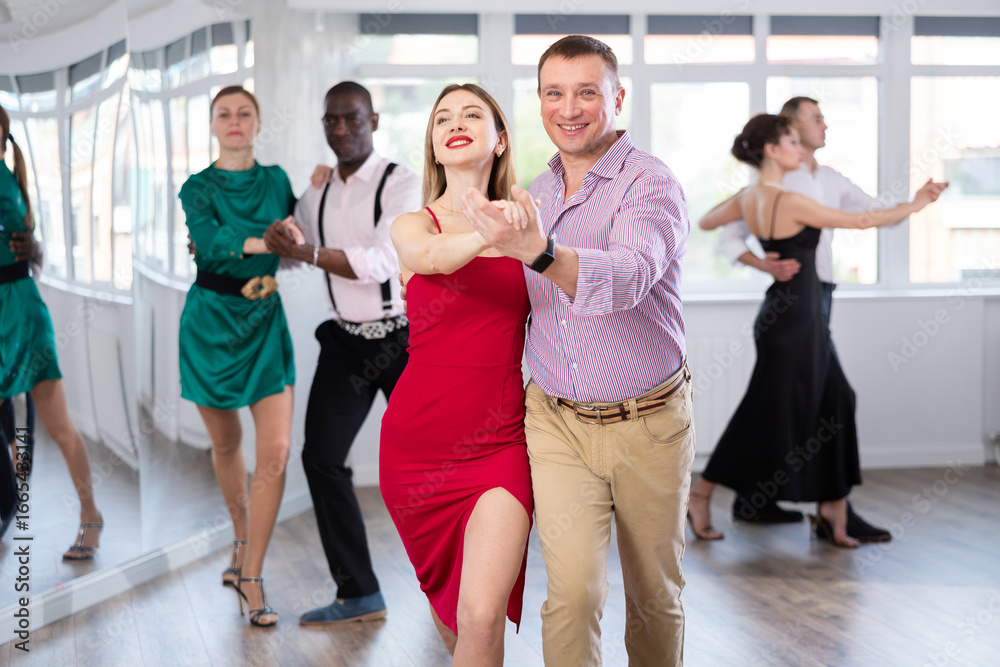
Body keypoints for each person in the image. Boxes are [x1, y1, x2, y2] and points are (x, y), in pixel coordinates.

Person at [463, 36, 694, 666]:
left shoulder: (650, 183)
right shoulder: (532, 195)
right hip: (556, 422)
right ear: (539, 104)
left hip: (647, 424)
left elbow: (627, 276)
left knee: (653, 597)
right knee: (570, 594)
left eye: (587, 92)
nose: (570, 108)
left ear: (615, 98)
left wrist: (539, 252)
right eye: (555, 93)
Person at [689, 113, 946, 547]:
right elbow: (862, 222)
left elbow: (708, 222)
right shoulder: (788, 200)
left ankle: (832, 508)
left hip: (787, 313)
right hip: (797, 318)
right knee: (764, 409)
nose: (798, 148)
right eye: (791, 141)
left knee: (835, 397)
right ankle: (702, 491)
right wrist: (919, 202)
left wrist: (763, 260)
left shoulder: (750, 196)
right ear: (772, 150)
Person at [380, 83, 533, 665]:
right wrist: (498, 234)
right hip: (417, 447)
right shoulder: (412, 225)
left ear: (498, 141)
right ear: (435, 147)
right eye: (443, 118)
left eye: (473, 114)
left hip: (499, 444)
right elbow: (434, 260)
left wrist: (526, 238)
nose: (456, 123)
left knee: (480, 615)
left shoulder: (529, 220)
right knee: (455, 627)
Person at [263, 81, 421, 625]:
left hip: (404, 339)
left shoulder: (401, 182)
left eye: (352, 119)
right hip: (347, 342)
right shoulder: (317, 193)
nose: (341, 130)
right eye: (331, 120)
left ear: (373, 120)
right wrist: (276, 242)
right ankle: (359, 593)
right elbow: (291, 256)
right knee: (321, 458)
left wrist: (304, 250)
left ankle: (462, 584)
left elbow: (381, 260)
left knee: (432, 464)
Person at [178, 86, 298, 626]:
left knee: (275, 451)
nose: (234, 121)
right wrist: (269, 242)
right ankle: (239, 538)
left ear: (257, 121)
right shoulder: (196, 186)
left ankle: (251, 574)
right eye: (223, 114)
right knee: (226, 444)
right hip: (210, 327)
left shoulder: (277, 181)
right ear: (211, 125)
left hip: (265, 323)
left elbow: (298, 234)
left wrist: (296, 224)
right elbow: (209, 241)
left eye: (244, 112)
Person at [0, 104, 104, 558]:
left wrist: (35, 246)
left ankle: (90, 516)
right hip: (15, 305)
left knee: (61, 428)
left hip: (21, 312)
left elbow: (29, 259)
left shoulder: (9, 182)